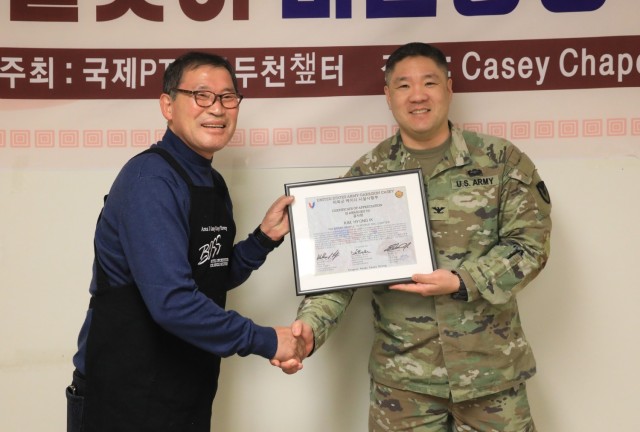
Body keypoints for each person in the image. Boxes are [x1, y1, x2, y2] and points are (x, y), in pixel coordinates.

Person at [276, 42, 552, 431]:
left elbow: (529, 248)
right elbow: (336, 273)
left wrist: (461, 280)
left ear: (449, 88)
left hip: (491, 376)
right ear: (388, 96)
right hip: (403, 382)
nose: (418, 95)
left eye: (429, 82)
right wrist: (308, 331)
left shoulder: (501, 160)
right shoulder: (368, 173)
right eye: (403, 86)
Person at [66, 51, 305, 432]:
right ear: (167, 105)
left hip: (185, 388)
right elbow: (173, 302)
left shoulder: (212, 183)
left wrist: (263, 239)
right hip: (124, 393)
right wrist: (266, 340)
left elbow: (208, 277)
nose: (217, 108)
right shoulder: (150, 179)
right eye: (202, 95)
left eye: (228, 97)